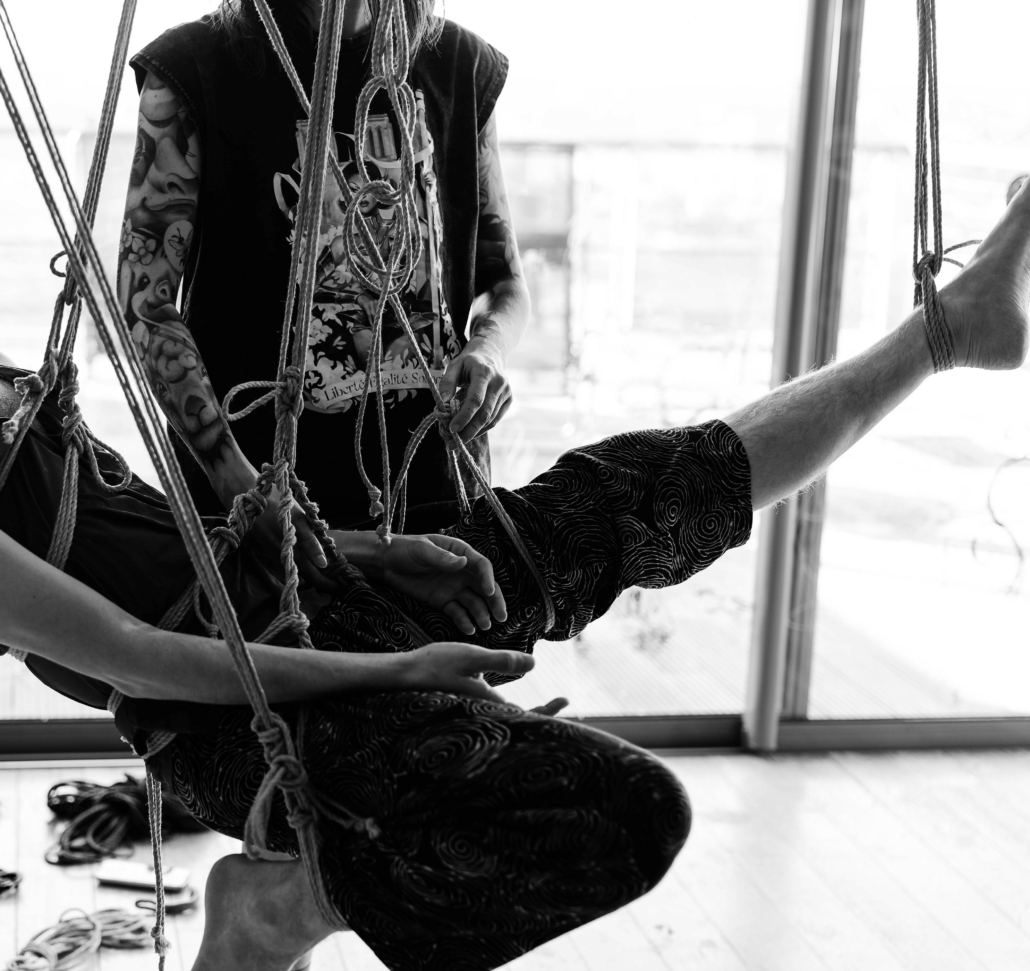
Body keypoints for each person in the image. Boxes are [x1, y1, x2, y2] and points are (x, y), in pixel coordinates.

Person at [5, 165, 1030, 971]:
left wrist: (380, 555)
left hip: (315, 593)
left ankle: (945, 330)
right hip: (225, 717)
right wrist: (401, 670)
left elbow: (166, 532)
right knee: (620, 811)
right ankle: (278, 907)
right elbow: (142, 654)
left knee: (642, 489)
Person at [118, 0, 529, 568]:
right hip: (265, 520)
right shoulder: (192, 68)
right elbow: (145, 304)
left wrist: (489, 348)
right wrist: (236, 481)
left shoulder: (459, 65)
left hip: (440, 498)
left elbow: (502, 281)